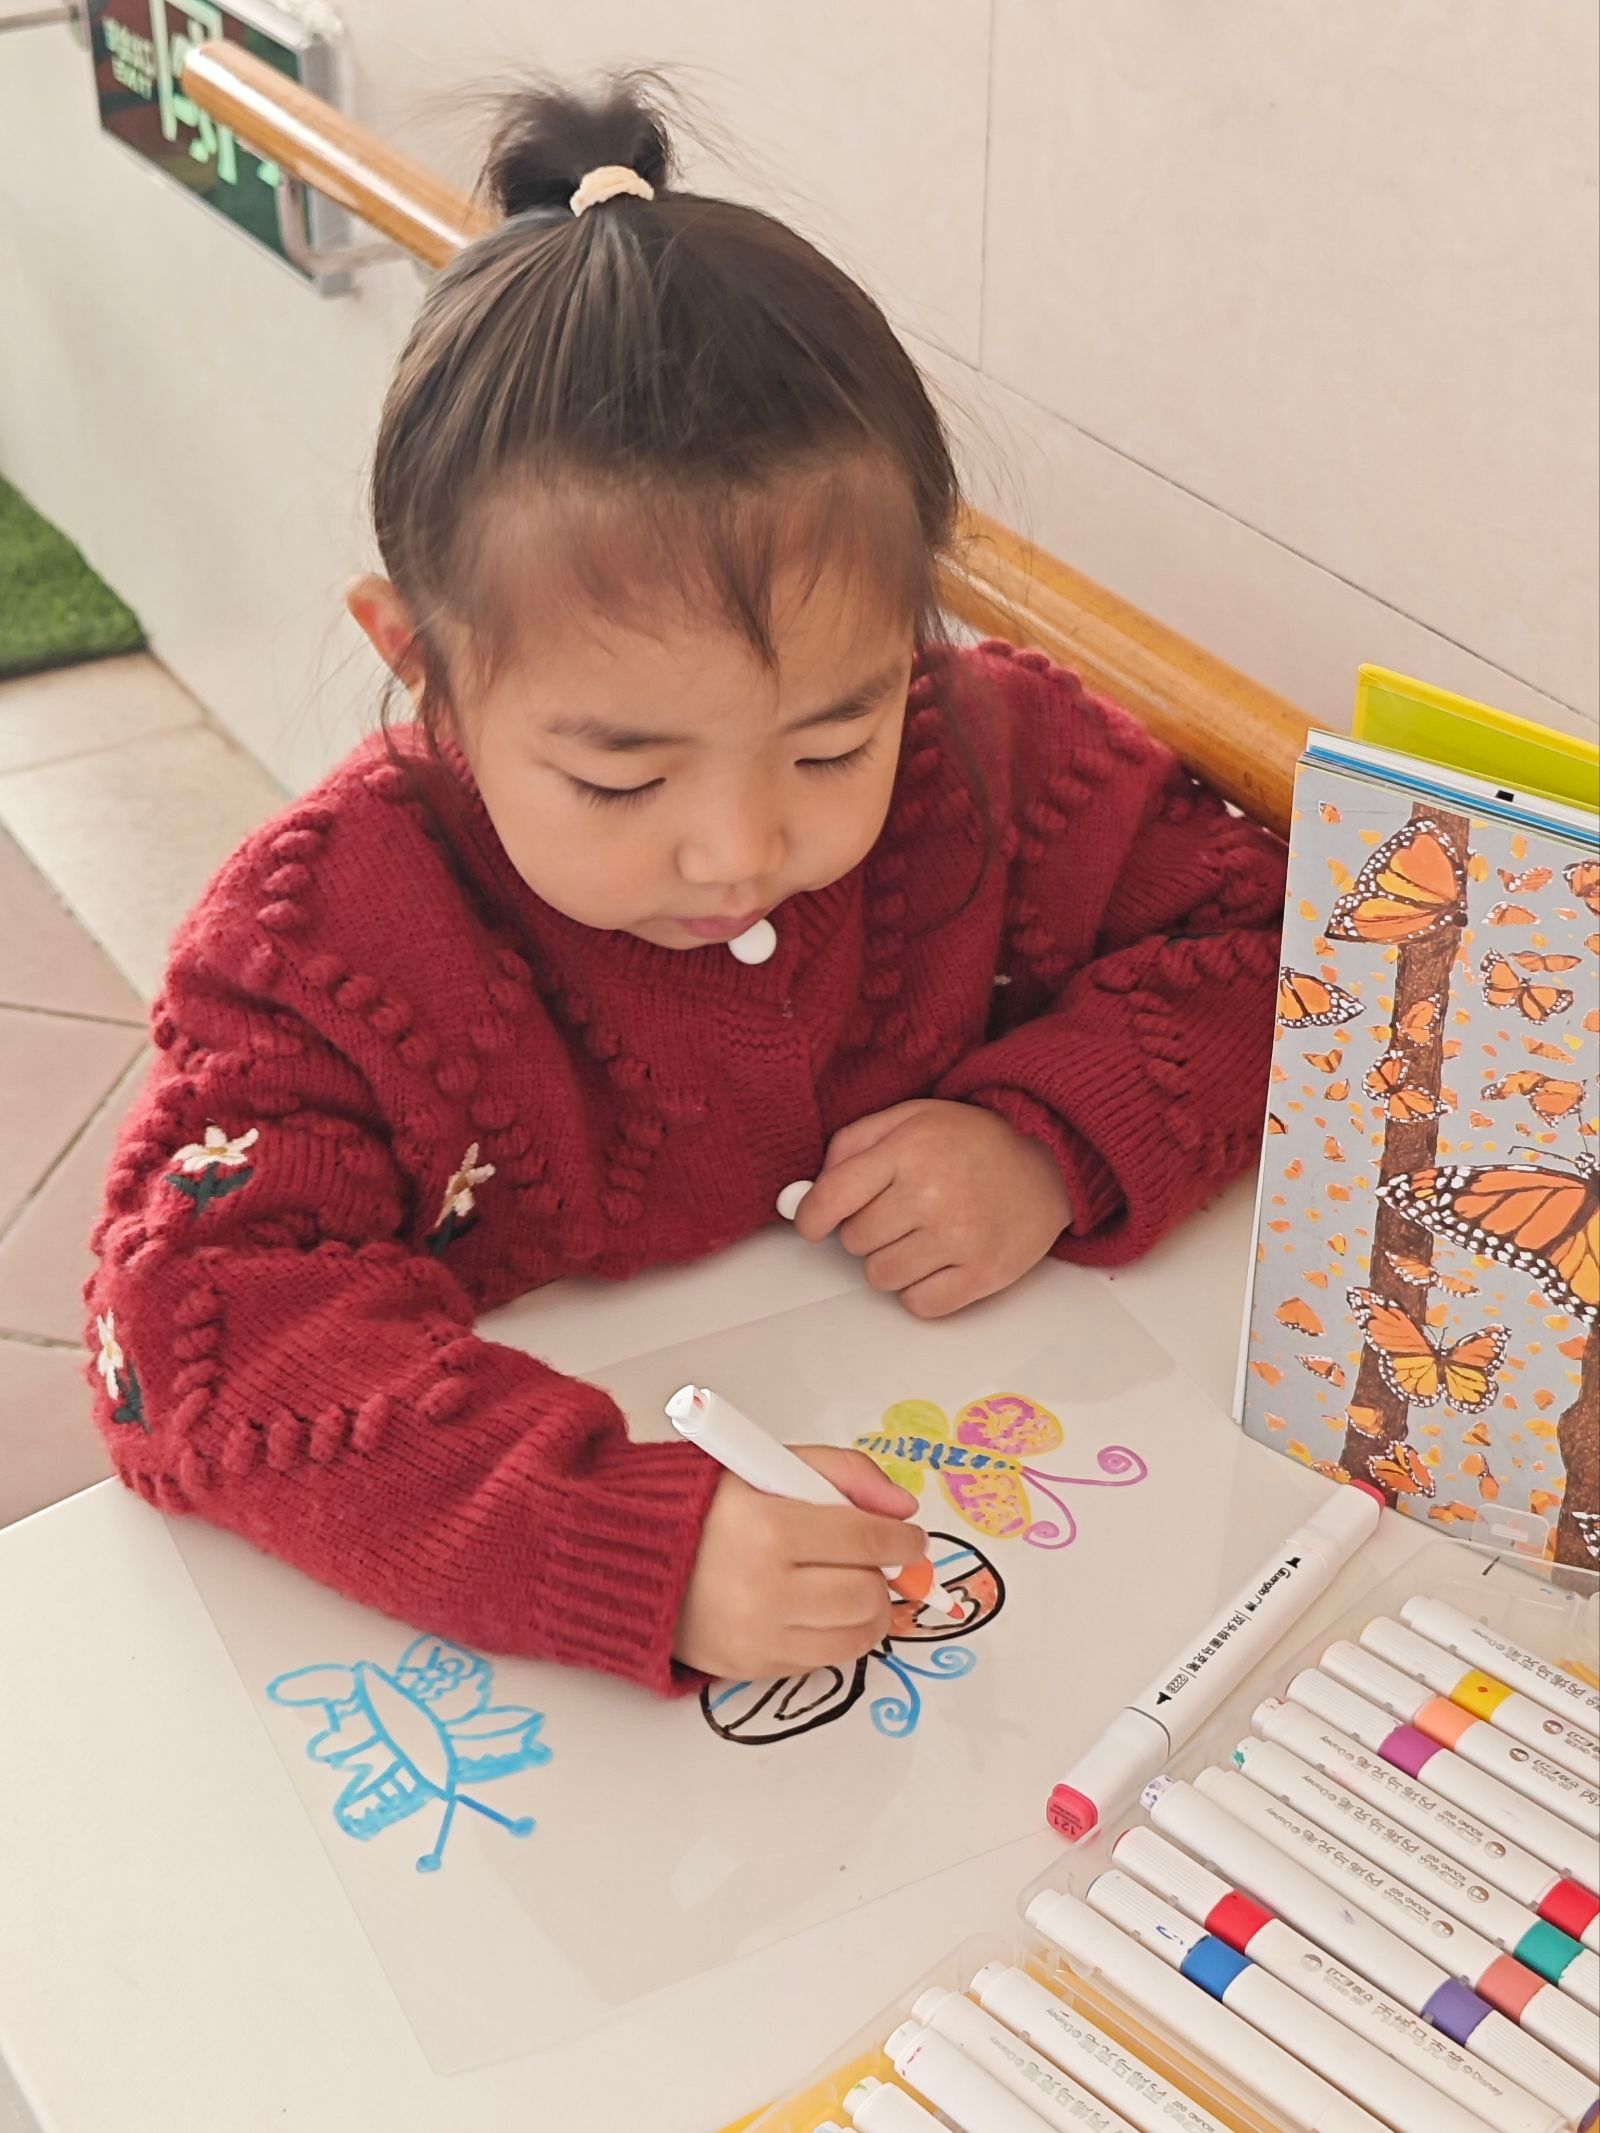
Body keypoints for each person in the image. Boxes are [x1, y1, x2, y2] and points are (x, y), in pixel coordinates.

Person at [87, 77, 1286, 1695]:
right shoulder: (317, 946)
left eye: (832, 740)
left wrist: (1048, 1135)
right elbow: (187, 1334)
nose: (738, 850)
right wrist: (616, 1540)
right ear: (425, 669)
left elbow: (1288, 940)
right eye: (623, 780)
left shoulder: (989, 752)